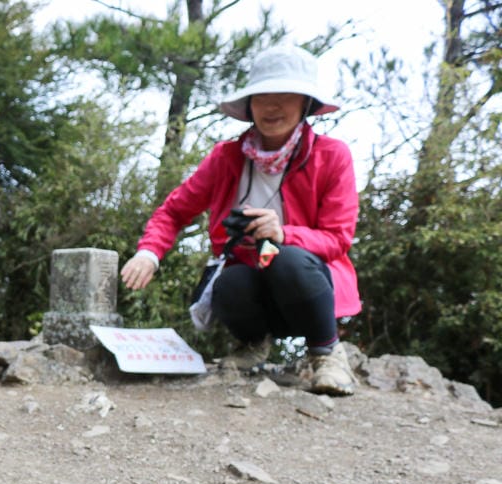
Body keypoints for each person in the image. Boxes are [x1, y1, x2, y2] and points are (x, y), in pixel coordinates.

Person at [120, 44, 359, 396]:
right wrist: (149, 253)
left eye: (285, 96)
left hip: (308, 289)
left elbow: (338, 238)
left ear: (305, 103)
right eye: (262, 97)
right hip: (251, 286)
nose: (272, 107)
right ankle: (252, 345)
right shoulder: (226, 158)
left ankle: (326, 352)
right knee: (229, 282)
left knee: (286, 258)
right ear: (249, 105)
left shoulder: (331, 155)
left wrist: (283, 233)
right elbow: (174, 210)